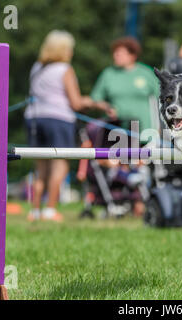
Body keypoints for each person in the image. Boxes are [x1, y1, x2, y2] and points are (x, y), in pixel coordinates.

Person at [24, 30, 116, 222]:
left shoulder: (36, 67)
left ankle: (34, 210)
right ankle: (50, 209)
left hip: (34, 117)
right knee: (60, 164)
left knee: (40, 166)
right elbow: (75, 103)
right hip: (58, 119)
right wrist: (96, 103)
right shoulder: (64, 69)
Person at [90, 36, 160, 137]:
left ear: (132, 55)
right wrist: (107, 107)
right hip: (116, 133)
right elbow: (95, 99)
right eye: (115, 53)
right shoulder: (108, 73)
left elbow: (162, 99)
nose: (115, 56)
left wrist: (160, 127)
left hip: (145, 132)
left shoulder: (147, 73)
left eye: (120, 53)